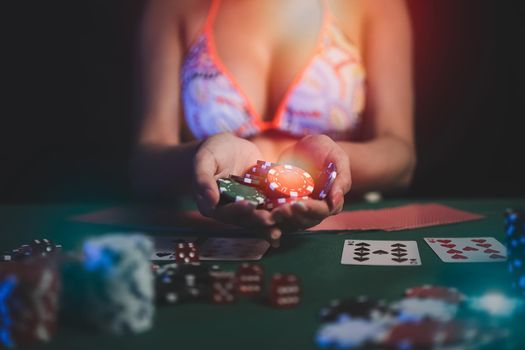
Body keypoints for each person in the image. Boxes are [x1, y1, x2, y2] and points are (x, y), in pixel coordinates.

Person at [132, 0, 416, 244]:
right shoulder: (172, 6)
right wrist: (202, 157)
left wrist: (335, 165)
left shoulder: (376, 5)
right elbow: (145, 164)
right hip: (209, 231)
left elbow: (401, 155)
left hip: (341, 233)